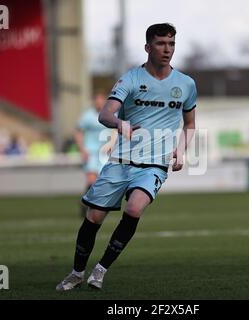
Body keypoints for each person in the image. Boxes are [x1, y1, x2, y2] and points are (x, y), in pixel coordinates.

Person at [56, 23, 197, 291]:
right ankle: (76, 273)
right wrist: (122, 125)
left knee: (134, 208)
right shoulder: (130, 79)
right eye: (160, 43)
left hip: (154, 164)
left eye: (171, 44)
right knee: (94, 218)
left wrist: (181, 149)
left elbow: (189, 124)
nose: (167, 49)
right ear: (147, 47)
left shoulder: (186, 84)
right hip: (120, 161)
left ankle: (100, 270)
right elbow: (105, 114)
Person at [75, 91, 116, 217]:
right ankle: (86, 204)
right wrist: (82, 149)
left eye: (101, 99)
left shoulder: (111, 114)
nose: (98, 102)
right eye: (96, 99)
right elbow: (78, 132)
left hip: (104, 153)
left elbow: (115, 129)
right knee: (92, 180)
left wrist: (112, 144)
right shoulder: (87, 116)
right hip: (91, 152)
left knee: (102, 181)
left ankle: (92, 205)